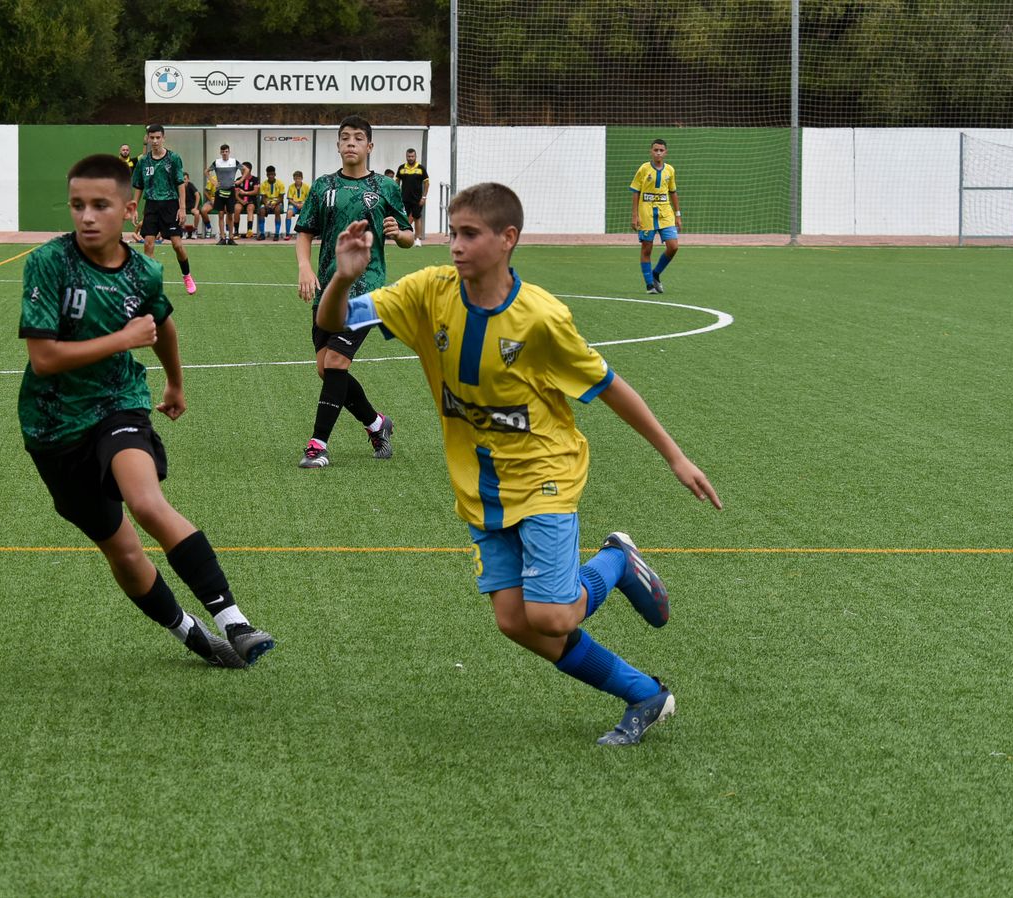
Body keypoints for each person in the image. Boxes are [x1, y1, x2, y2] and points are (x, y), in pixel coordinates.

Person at [315, 182, 722, 744]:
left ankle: (616, 563)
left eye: (470, 234)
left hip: (545, 472)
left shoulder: (541, 319)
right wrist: (342, 275)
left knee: (553, 617)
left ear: (508, 240)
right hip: (479, 484)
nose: (455, 246)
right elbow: (334, 321)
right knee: (515, 621)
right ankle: (644, 693)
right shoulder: (427, 293)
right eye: (453, 232)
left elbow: (608, 385)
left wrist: (674, 456)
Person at [18, 153, 277, 668]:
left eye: (100, 205)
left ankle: (235, 622)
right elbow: (44, 358)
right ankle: (193, 635)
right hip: (51, 425)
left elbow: (164, 327)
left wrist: (176, 384)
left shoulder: (145, 272)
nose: (87, 216)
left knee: (146, 501)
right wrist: (123, 338)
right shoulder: (47, 263)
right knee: (123, 551)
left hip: (119, 403)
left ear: (129, 209)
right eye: (77, 205)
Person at [293, 115, 412, 469]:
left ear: (369, 146)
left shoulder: (386, 188)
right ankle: (377, 424)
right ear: (338, 144)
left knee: (336, 362)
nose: (350, 143)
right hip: (329, 289)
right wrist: (304, 266)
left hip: (367, 290)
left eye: (358, 138)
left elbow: (407, 237)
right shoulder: (322, 186)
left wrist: (398, 232)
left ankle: (317, 446)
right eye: (345, 138)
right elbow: (305, 232)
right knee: (325, 369)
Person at [130, 124, 196, 294]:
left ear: (163, 138)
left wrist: (182, 208)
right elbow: (138, 185)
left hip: (170, 205)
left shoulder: (173, 158)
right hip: (151, 204)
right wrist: (135, 207)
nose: (155, 141)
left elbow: (180, 183)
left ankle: (187, 275)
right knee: (148, 245)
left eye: (158, 137)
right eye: (151, 137)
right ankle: (152, 283)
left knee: (177, 245)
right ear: (147, 138)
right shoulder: (143, 161)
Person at [630, 139, 681, 294]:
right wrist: (635, 216)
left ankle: (656, 273)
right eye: (655, 150)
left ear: (666, 152)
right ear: (651, 152)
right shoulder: (644, 169)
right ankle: (649, 285)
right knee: (647, 248)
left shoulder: (670, 170)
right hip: (646, 214)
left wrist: (677, 215)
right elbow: (636, 191)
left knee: (673, 246)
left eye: (661, 150)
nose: (658, 153)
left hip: (666, 213)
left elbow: (673, 192)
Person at [206, 144, 240, 245]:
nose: (224, 153)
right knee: (221, 214)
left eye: (226, 151)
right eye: (223, 151)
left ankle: (231, 238)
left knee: (230, 215)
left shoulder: (234, 161)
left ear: (229, 152)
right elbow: (206, 171)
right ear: (220, 152)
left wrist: (240, 180)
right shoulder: (217, 162)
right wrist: (213, 181)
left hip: (231, 190)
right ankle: (222, 238)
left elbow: (245, 170)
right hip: (219, 191)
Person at [396, 148, 430, 247]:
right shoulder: (401, 168)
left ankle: (417, 239)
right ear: (406, 157)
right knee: (404, 218)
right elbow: (397, 182)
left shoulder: (421, 168)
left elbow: (427, 183)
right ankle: (405, 238)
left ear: (415, 157)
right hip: (404, 198)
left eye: (412, 156)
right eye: (408, 156)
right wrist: (397, 194)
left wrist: (424, 197)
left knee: (417, 217)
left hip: (417, 199)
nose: (410, 158)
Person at [257, 165, 286, 241]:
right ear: (266, 175)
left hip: (277, 203)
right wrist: (266, 204)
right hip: (266, 203)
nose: (270, 176)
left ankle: (276, 234)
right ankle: (262, 234)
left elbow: (281, 197)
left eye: (272, 174)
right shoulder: (263, 184)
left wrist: (274, 203)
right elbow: (263, 197)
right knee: (261, 210)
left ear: (275, 174)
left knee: (277, 210)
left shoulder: (280, 183)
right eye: (269, 174)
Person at [235, 162, 259, 238]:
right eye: (241, 169)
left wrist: (245, 192)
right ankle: (236, 232)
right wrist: (241, 200)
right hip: (240, 201)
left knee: (250, 208)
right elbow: (236, 194)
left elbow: (255, 192)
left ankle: (249, 230)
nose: (241, 171)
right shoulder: (238, 180)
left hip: (251, 201)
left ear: (249, 170)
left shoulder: (255, 179)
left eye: (243, 169)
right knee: (237, 208)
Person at [284, 169, 309, 239]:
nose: (297, 180)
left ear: (302, 178)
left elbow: (309, 199)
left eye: (299, 178)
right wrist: (296, 204)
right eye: (296, 178)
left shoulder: (306, 187)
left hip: (303, 204)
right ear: (294, 179)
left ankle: (304, 233)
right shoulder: (291, 187)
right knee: (289, 213)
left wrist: (302, 204)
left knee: (307, 214)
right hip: (293, 204)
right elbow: (289, 199)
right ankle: (287, 234)